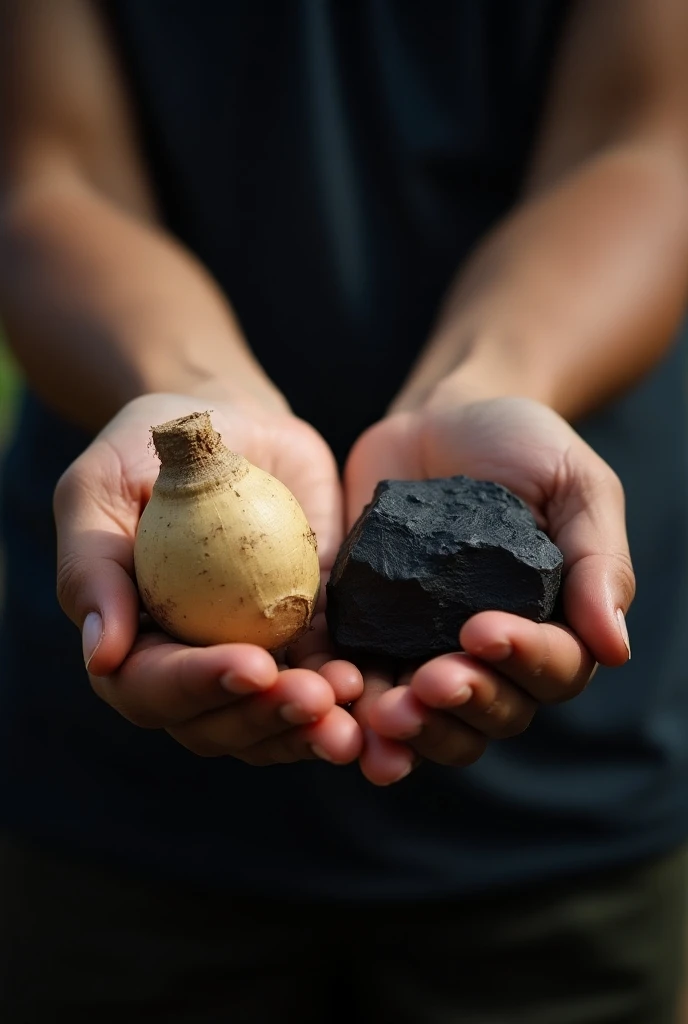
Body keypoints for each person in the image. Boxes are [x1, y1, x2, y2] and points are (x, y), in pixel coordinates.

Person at [1, 0, 687, 1021]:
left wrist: (489, 377)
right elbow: (50, 177)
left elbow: (641, 146)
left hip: (557, 810)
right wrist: (195, 395)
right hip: (117, 810)